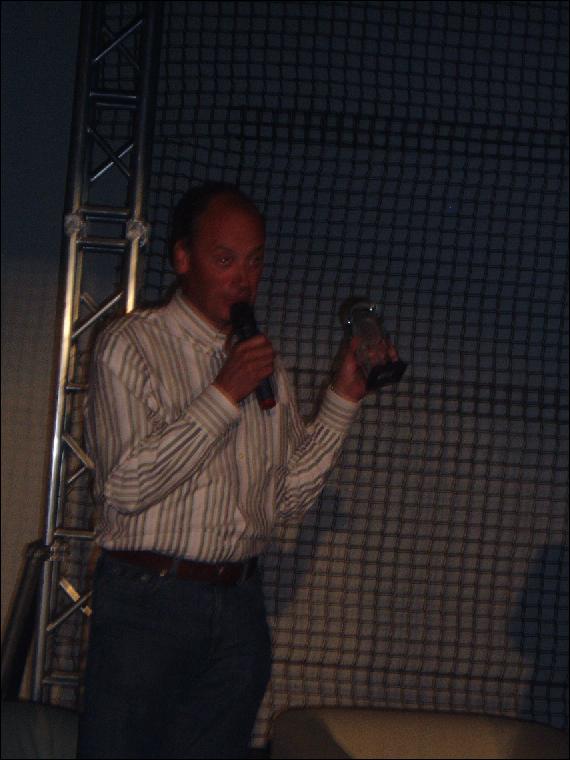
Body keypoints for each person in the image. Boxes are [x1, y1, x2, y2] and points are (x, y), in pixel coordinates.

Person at [77, 182, 399, 759]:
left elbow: (286, 501)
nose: (243, 279)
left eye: (254, 261)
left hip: (238, 605)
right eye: (225, 260)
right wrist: (224, 393)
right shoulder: (131, 345)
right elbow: (125, 486)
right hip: (148, 604)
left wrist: (343, 398)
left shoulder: (264, 365)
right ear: (183, 258)